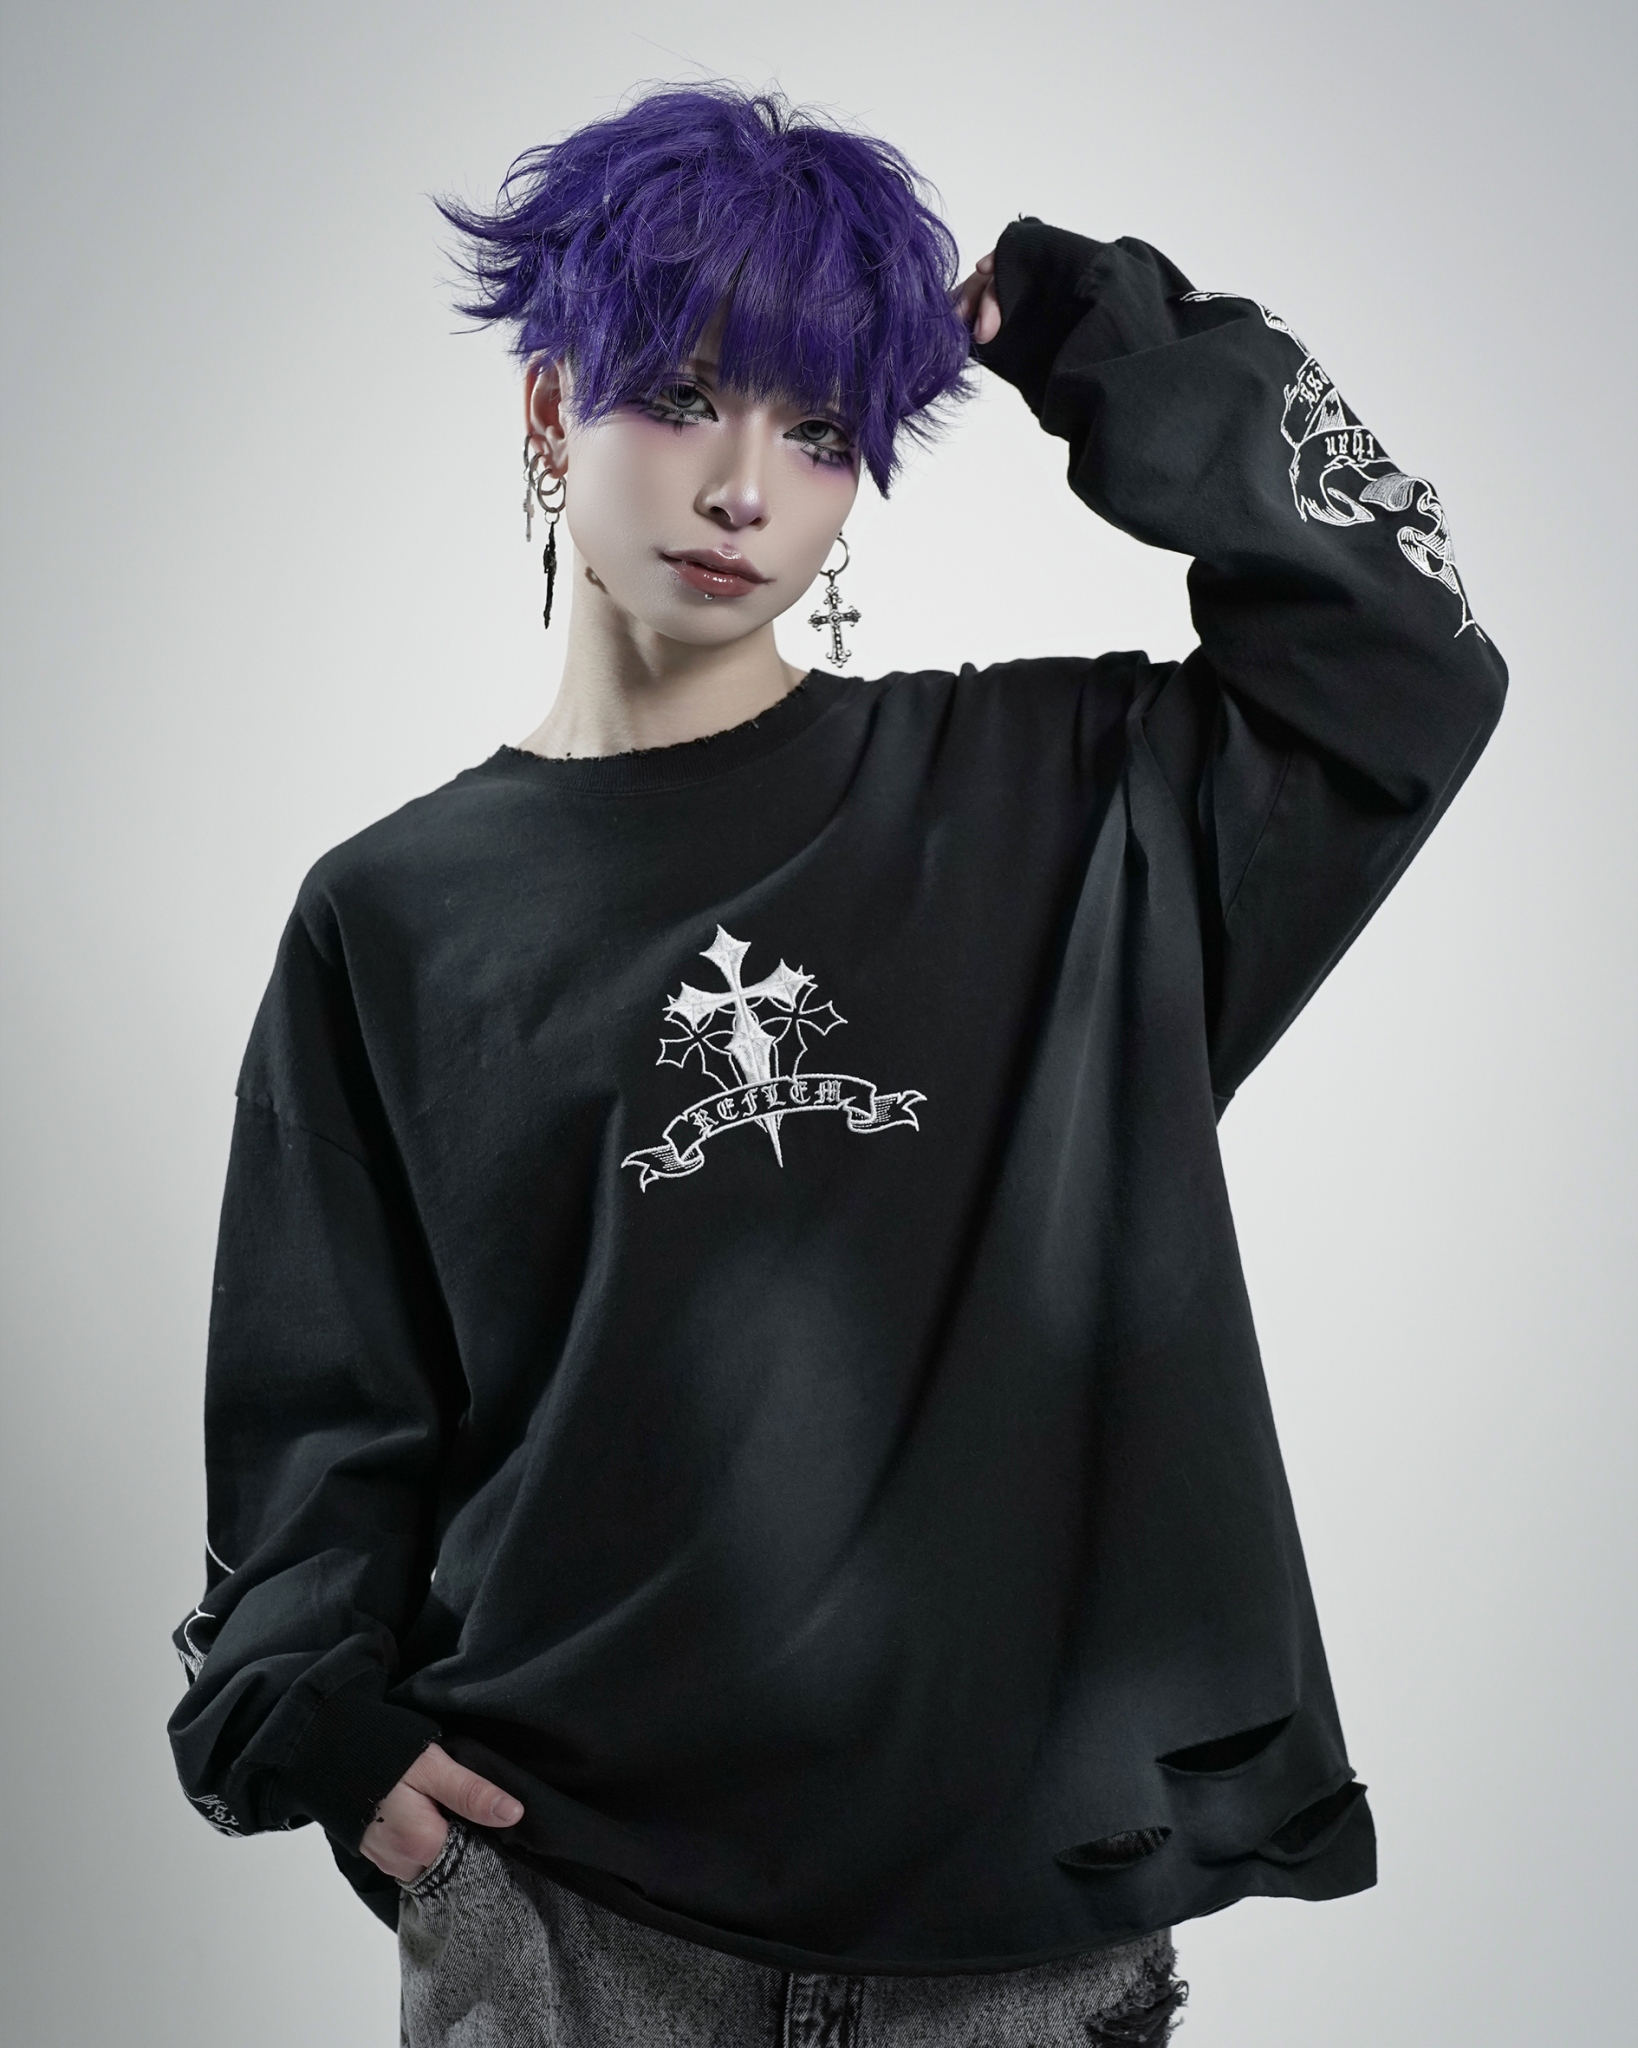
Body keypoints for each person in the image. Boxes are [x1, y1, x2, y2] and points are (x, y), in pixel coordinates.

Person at [168, 83, 1506, 2047]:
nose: (743, 487)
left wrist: (1087, 329)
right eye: (680, 396)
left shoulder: (1066, 811)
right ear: (547, 407)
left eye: (816, 427)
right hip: (569, 1914)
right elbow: (320, 1414)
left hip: (1015, 1943)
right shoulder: (394, 913)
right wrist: (324, 1724)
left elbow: (1405, 662)